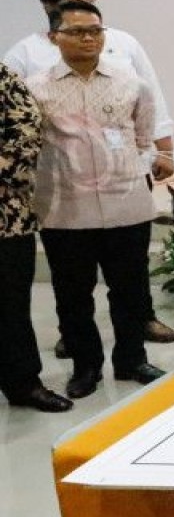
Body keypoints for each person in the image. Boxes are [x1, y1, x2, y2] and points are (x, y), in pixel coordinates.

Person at [4, 0, 174, 346]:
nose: (87, 29)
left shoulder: (123, 42)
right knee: (72, 284)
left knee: (129, 274)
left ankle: (139, 331)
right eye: (74, 1)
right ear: (50, 11)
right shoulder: (25, 54)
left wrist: (162, 150)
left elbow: (150, 100)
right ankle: (79, 346)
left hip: (122, 180)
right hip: (65, 189)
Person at [29, 1, 166, 398]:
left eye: (95, 30)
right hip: (65, 210)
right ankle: (86, 367)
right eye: (77, 31)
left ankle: (131, 359)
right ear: (54, 37)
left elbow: (144, 136)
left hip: (127, 205)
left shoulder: (130, 82)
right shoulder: (36, 88)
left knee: (131, 289)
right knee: (73, 296)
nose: (88, 38)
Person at [0, 63, 73, 412]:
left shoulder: (2, 76)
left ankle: (23, 384)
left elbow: (26, 131)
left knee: (10, 307)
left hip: (5, 218)